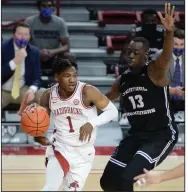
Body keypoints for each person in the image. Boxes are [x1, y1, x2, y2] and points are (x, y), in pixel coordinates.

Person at [100, 3, 178, 191]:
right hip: (135, 135)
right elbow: (105, 99)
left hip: (160, 135)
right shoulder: (122, 80)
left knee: (129, 177)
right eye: (128, 51)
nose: (130, 55)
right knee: (108, 181)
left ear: (146, 54)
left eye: (136, 52)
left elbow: (166, 56)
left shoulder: (155, 71)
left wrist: (169, 33)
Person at [24, 57, 118, 191]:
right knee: (50, 187)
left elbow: (113, 111)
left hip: (83, 153)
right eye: (67, 76)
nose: (72, 80)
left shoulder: (87, 91)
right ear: (57, 76)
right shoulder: (48, 96)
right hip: (60, 148)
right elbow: (39, 127)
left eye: (74, 75)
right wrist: (35, 124)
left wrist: (92, 123)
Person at [2, 22, 44, 109]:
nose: (23, 37)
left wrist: (31, 90)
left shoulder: (34, 51)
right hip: (2, 91)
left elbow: (37, 77)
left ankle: (37, 122)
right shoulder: (2, 48)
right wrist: (14, 62)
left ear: (29, 37)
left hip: (22, 89)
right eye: (19, 34)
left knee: (44, 94)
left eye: (26, 34)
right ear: (13, 35)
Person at [25, 0, 71, 70]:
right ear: (39, 8)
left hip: (54, 56)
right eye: (44, 6)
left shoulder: (60, 22)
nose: (47, 8)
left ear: (53, 8)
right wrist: (37, 52)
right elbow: (23, 44)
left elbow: (67, 46)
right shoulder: (29, 22)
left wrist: (52, 52)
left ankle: (65, 80)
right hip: (35, 55)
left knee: (69, 56)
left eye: (49, 6)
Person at [154, 27, 185, 112]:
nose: (179, 48)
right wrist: (171, 90)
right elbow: (154, 83)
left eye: (182, 45)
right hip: (165, 99)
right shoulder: (159, 56)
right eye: (175, 44)